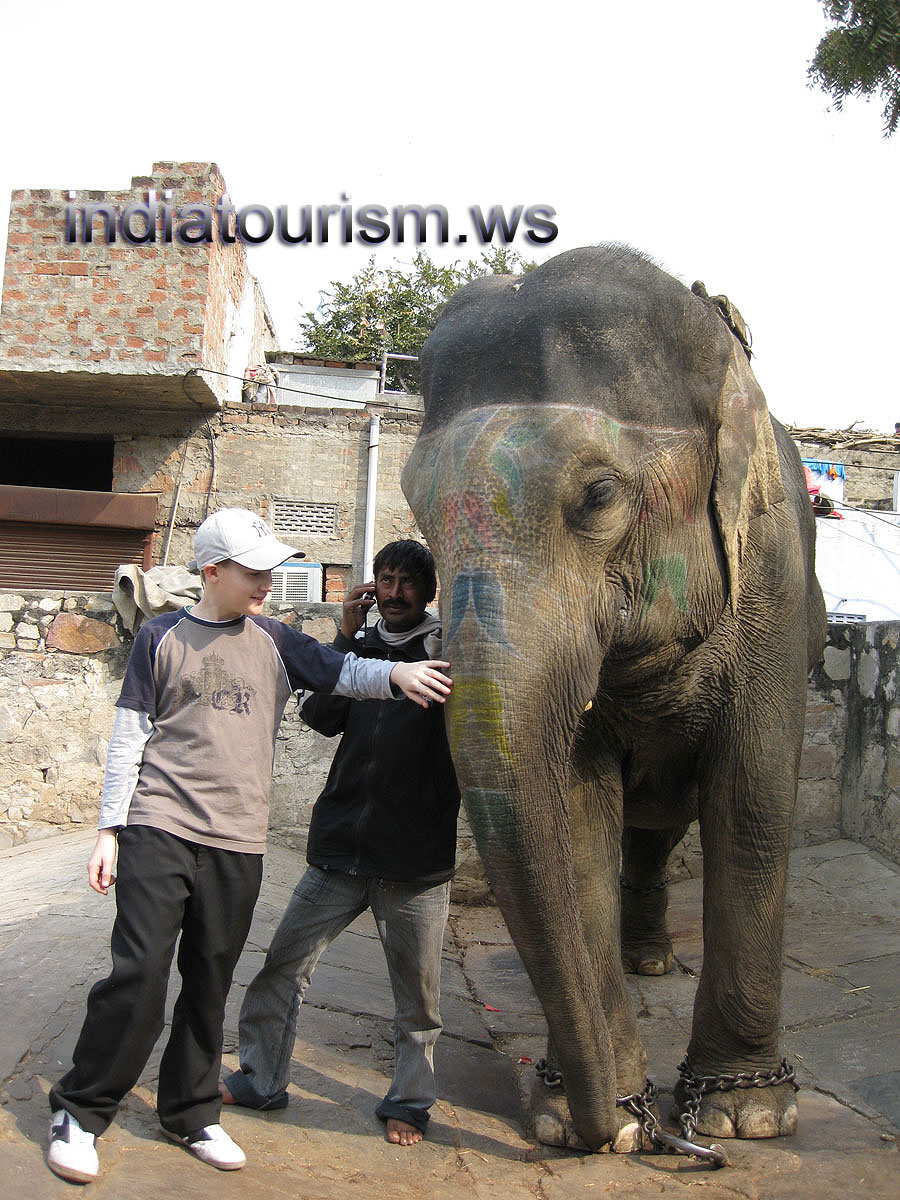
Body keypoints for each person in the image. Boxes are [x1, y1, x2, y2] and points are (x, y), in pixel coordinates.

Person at [46, 511, 452, 1185]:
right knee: (141, 975)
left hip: (241, 839)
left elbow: (344, 671)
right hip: (161, 826)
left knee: (210, 980)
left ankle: (190, 1109)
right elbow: (129, 737)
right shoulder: (160, 635)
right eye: (255, 570)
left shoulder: (275, 639)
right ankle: (83, 1111)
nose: (269, 581)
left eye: (271, 569)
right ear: (213, 571)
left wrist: (398, 677)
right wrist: (108, 830)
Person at [222, 540, 460, 1147]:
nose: (395, 591)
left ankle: (409, 1102)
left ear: (428, 591)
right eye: (386, 579)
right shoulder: (363, 652)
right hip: (340, 851)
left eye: (409, 581)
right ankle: (262, 1079)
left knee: (418, 1000)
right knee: (282, 969)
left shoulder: (449, 655)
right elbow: (322, 716)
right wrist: (347, 638)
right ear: (371, 588)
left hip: (415, 861)